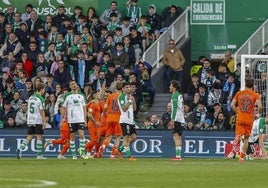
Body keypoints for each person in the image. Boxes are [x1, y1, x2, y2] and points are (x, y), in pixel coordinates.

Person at [227, 78, 262, 163]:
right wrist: (257, 114)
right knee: (246, 139)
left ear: (245, 84)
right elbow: (260, 107)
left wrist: (237, 112)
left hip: (240, 118)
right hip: (249, 119)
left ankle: (236, 141)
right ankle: (241, 158)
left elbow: (232, 105)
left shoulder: (239, 93)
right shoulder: (255, 95)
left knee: (239, 134)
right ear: (253, 86)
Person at [16, 82, 46, 159]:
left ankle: (20, 148)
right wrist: (44, 121)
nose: (44, 91)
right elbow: (42, 111)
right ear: (41, 89)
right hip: (37, 119)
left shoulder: (31, 97)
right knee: (39, 137)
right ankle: (39, 155)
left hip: (30, 119)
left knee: (29, 136)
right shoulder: (41, 99)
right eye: (44, 89)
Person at [61, 80, 88, 159]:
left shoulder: (82, 95)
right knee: (72, 137)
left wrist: (85, 119)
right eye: (72, 84)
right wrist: (62, 119)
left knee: (82, 135)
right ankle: (74, 155)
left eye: (75, 84)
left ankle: (82, 153)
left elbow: (84, 108)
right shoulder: (67, 96)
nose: (74, 85)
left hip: (80, 119)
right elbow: (63, 107)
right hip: (71, 119)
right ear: (70, 87)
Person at [117, 81, 137, 160]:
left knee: (134, 137)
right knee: (126, 137)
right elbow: (124, 109)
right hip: (124, 120)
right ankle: (129, 156)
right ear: (123, 89)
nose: (129, 89)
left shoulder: (130, 96)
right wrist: (129, 101)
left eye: (129, 87)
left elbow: (134, 109)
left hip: (131, 121)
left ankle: (119, 150)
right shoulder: (122, 97)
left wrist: (133, 100)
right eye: (126, 87)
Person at [168, 80, 185, 160]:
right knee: (179, 136)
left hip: (177, 118)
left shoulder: (175, 96)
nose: (169, 87)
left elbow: (174, 108)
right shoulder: (179, 95)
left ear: (174, 88)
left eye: (171, 86)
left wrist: (172, 120)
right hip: (181, 118)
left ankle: (178, 156)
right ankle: (178, 155)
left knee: (176, 136)